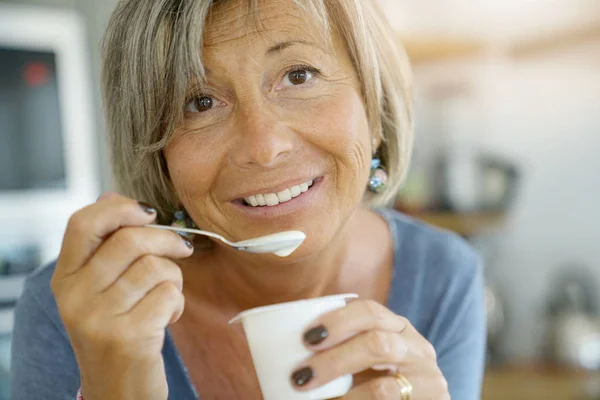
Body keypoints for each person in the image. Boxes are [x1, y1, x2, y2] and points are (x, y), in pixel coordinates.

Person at [10, 0, 486, 399]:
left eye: (299, 75)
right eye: (199, 103)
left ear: (374, 105)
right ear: (160, 159)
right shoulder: (69, 317)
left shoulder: (442, 277)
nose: (263, 146)